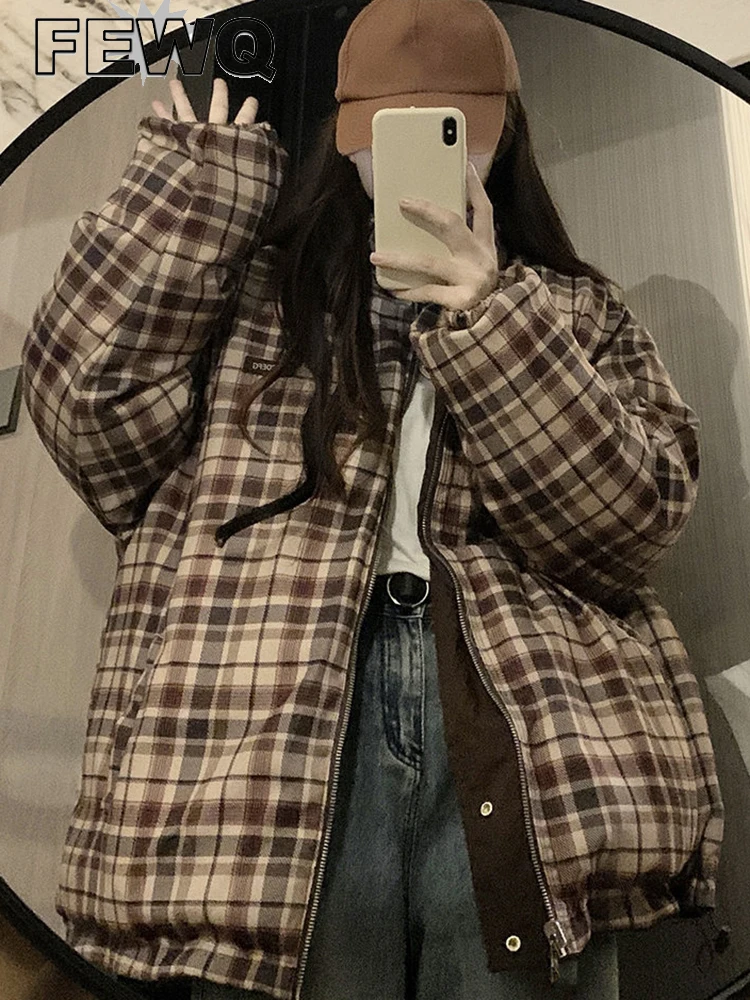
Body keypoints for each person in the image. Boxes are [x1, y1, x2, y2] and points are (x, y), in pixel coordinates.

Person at [21, 0, 724, 998]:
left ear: (502, 134)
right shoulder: (249, 294)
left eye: (448, 128)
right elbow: (87, 421)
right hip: (266, 709)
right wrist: (192, 197)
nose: (410, 158)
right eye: (384, 131)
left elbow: (628, 527)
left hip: (516, 726)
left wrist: (491, 316)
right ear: (346, 136)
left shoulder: (576, 310)